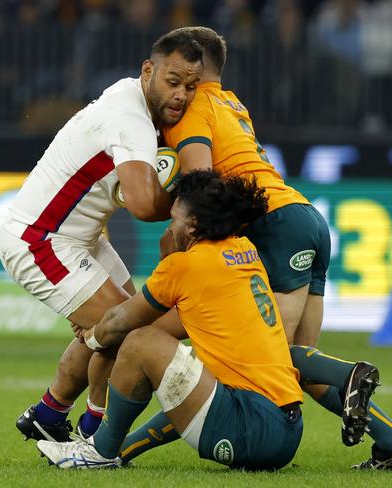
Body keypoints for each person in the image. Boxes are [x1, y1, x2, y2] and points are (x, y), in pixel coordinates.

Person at [149, 26, 392, 469]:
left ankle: (348, 374)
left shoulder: (191, 107)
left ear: (196, 72)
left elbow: (205, 188)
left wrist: (179, 240)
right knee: (289, 366)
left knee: (264, 355)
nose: (176, 88)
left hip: (274, 224)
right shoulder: (233, 104)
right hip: (304, 217)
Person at [0, 29, 203, 443]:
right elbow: (145, 205)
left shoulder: (132, 98)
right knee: (130, 332)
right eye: (173, 81)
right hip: (42, 241)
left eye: (191, 86)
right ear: (149, 70)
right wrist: (193, 201)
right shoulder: (131, 119)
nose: (182, 94)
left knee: (125, 324)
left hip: (80, 237)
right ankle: (93, 436)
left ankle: (49, 414)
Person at [37, 170, 304, 471]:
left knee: (140, 344)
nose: (170, 226)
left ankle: (98, 452)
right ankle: (111, 448)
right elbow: (168, 327)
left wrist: (91, 336)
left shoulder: (186, 265)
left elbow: (124, 323)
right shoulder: (243, 249)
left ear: (192, 225)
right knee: (185, 365)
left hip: (247, 427)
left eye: (174, 218)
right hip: (286, 433)